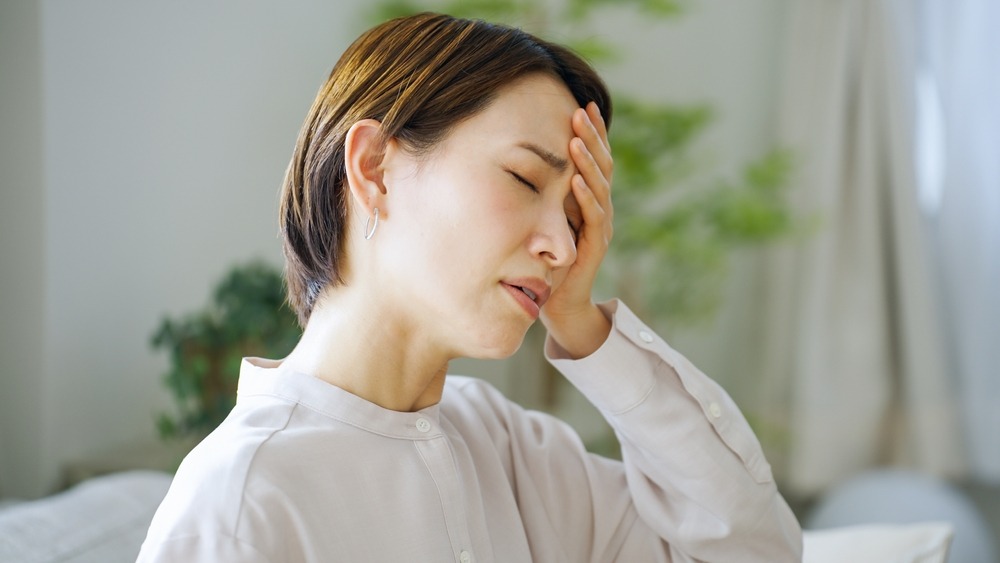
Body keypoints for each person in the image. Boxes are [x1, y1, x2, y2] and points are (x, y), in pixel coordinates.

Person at [138, 12, 802, 562]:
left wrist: (585, 327)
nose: (566, 247)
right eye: (523, 179)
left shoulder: (508, 447)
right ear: (374, 168)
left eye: (576, 218)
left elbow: (753, 549)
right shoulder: (238, 507)